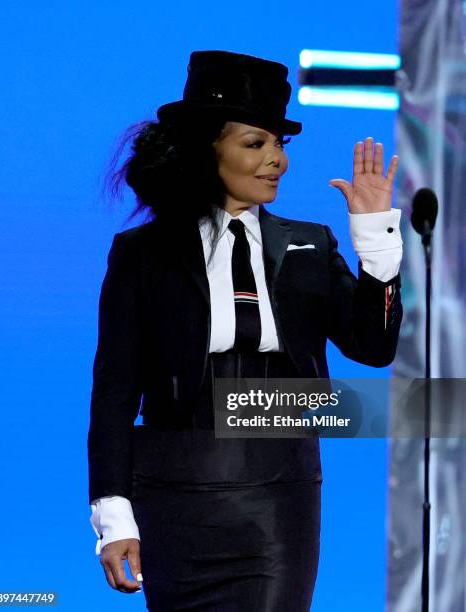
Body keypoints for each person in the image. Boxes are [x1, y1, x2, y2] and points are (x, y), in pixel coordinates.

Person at [87, 50, 403, 611]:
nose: (276, 160)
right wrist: (113, 517)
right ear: (207, 149)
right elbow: (114, 392)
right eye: (256, 143)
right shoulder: (143, 254)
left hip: (276, 501)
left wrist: (376, 240)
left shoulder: (312, 245)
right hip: (174, 498)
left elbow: (374, 348)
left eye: (280, 144)